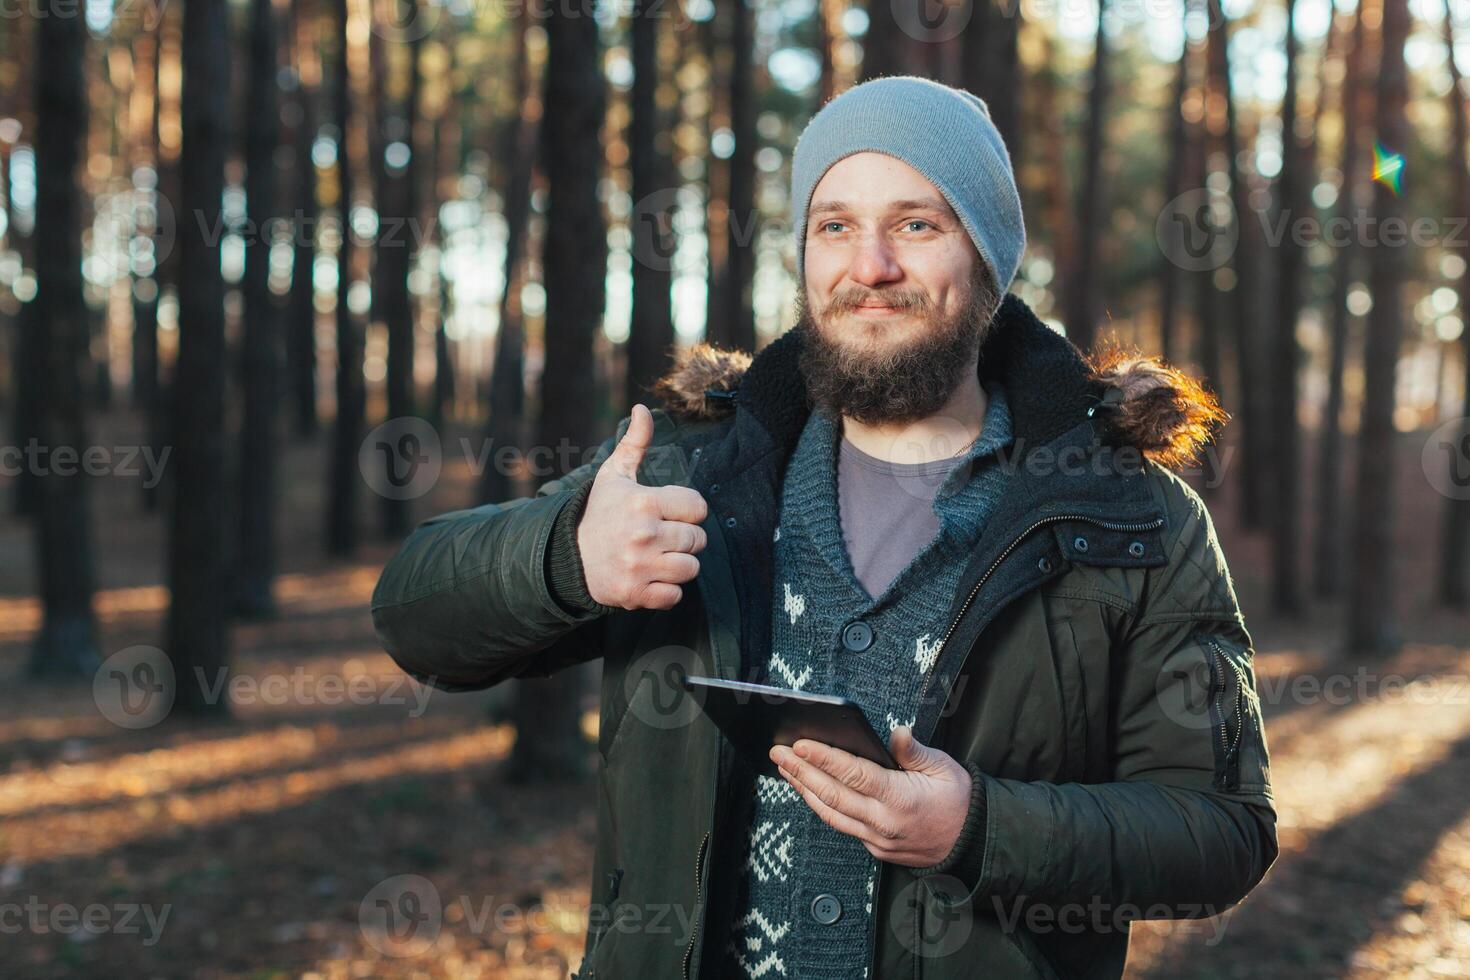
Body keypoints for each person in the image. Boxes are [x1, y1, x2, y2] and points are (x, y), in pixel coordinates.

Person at [372, 76, 1277, 980]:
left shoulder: (1123, 516)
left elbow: (1224, 829)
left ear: (988, 262)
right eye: (834, 225)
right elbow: (416, 619)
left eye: (918, 224)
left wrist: (980, 827)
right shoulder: (694, 466)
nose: (870, 266)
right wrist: (564, 557)